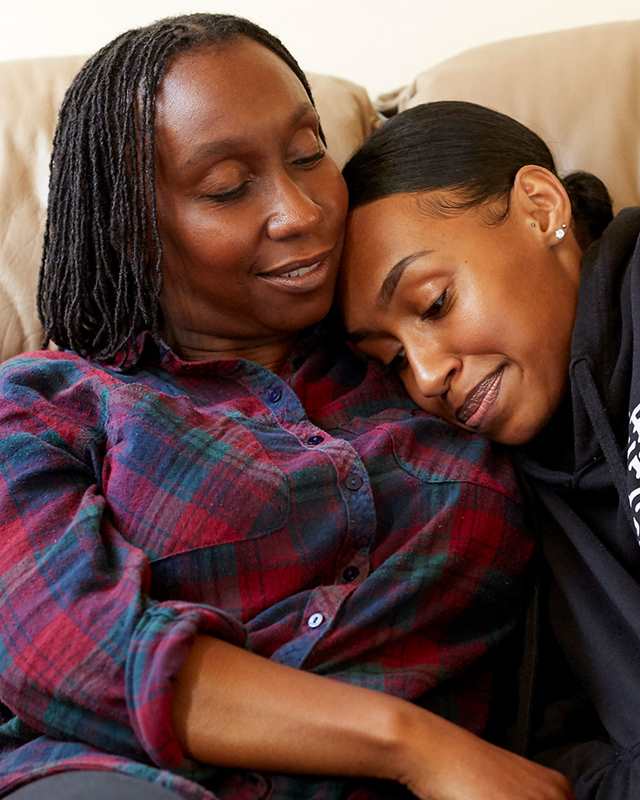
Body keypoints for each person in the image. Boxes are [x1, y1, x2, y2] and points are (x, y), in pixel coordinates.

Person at [0, 17, 585, 800]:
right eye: (228, 187)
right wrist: (412, 744)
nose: (302, 211)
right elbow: (68, 650)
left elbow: (619, 307)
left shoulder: (436, 359)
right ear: (132, 224)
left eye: (310, 154)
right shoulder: (50, 404)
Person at [338, 100, 640, 799]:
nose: (427, 376)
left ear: (539, 207)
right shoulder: (490, 508)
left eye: (434, 304)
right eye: (394, 361)